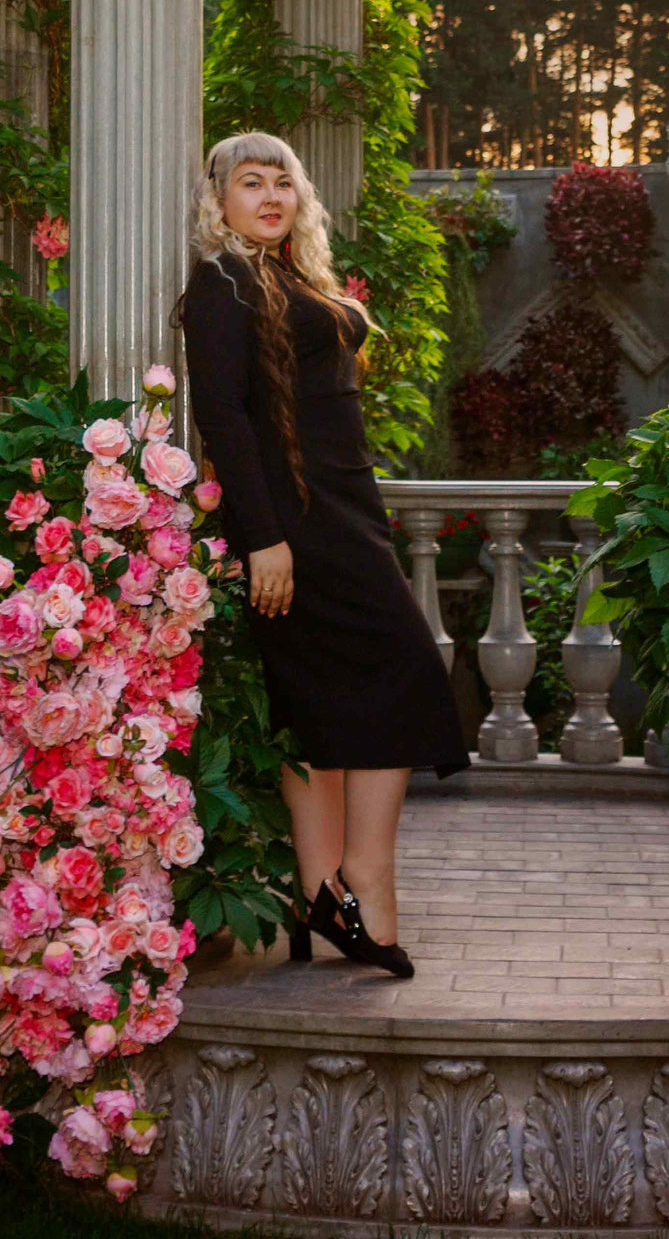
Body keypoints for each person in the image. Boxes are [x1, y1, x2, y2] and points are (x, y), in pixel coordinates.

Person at [177, 131, 466, 979]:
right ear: (219, 200)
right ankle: (365, 882)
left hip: (342, 509)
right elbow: (224, 419)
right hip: (294, 522)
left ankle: (319, 893)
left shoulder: (287, 277)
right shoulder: (222, 282)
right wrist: (263, 537)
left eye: (283, 184)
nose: (270, 197)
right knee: (407, 669)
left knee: (319, 699)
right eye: (250, 183)